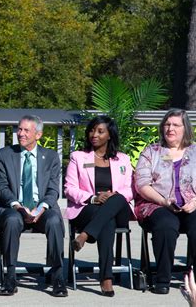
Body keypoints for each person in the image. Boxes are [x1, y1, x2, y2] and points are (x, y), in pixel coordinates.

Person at [0, 115, 67, 297]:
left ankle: (57, 276)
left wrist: (41, 208)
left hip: (42, 209)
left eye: (26, 130)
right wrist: (18, 206)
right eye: (19, 129)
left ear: (38, 135)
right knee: (11, 220)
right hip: (14, 208)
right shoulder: (4, 155)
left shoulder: (50, 157)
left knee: (55, 221)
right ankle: (10, 276)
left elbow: (53, 190)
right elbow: (1, 187)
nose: (21, 134)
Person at [64, 116, 134, 297]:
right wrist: (94, 198)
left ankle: (86, 235)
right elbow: (69, 189)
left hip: (119, 208)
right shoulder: (78, 157)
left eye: (100, 131)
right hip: (88, 208)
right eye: (92, 130)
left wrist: (112, 196)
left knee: (116, 199)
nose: (94, 135)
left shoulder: (123, 159)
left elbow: (131, 189)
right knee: (107, 222)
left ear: (110, 135)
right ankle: (106, 278)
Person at [135, 109, 196, 295]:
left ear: (185, 128)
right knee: (166, 225)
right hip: (156, 204)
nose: (170, 128)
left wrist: (195, 201)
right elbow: (142, 184)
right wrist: (163, 201)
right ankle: (163, 278)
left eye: (175, 125)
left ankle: (195, 277)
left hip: (192, 204)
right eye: (167, 124)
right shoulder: (152, 151)